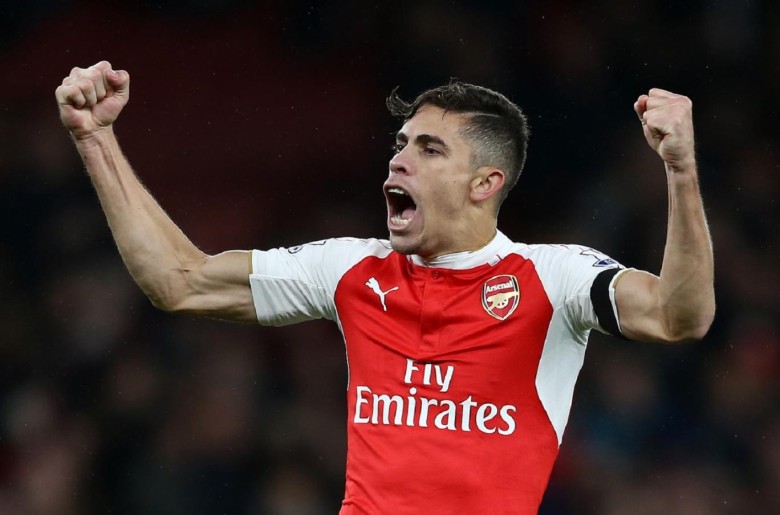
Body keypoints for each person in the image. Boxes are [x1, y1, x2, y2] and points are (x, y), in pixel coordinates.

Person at [55, 61, 715, 514]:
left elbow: (680, 316)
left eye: (429, 149)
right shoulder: (351, 269)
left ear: (485, 183)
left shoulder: (554, 277)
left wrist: (681, 172)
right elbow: (180, 279)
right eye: (400, 143)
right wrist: (95, 137)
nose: (398, 157)